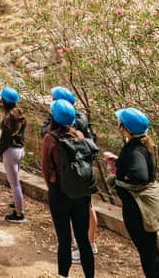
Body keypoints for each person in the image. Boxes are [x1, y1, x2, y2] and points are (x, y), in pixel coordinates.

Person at [40, 86, 98, 261]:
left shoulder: (68, 123)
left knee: (81, 210)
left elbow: (47, 136)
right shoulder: (79, 117)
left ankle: (86, 244)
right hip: (82, 172)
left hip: (70, 175)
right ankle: (88, 243)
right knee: (87, 207)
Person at [113, 108, 159, 278]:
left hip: (138, 211)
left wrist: (119, 181)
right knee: (150, 250)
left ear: (125, 128)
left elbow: (141, 176)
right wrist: (119, 163)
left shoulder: (134, 150)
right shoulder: (141, 145)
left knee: (147, 252)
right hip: (143, 210)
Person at [0, 87, 28, 224]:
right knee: (15, 181)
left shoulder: (8, 117)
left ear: (5, 101)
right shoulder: (20, 114)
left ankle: (19, 214)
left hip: (10, 151)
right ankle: (17, 202)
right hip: (20, 150)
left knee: (14, 184)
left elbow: (4, 139)